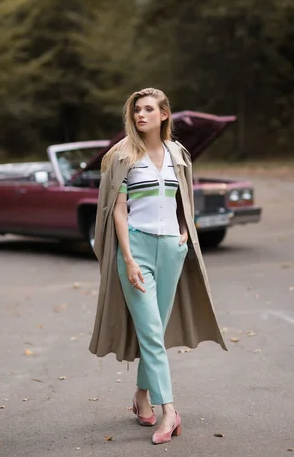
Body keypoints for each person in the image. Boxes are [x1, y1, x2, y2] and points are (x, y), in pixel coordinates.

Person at [89, 88, 227, 445]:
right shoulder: (121, 156)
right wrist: (129, 259)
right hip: (135, 250)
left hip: (171, 250)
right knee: (151, 332)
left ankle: (140, 396)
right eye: (136, 110)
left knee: (157, 332)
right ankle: (169, 411)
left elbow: (184, 195)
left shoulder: (178, 154)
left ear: (164, 114)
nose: (140, 115)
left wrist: (184, 229)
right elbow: (117, 210)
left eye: (148, 109)